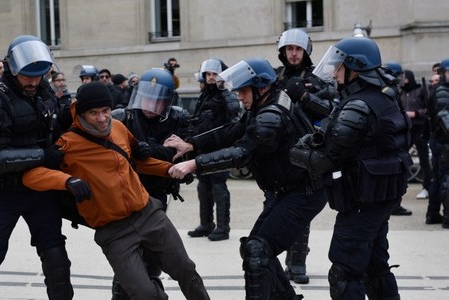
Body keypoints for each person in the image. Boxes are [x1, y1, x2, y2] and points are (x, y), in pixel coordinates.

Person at [22, 81, 210, 300]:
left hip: (149, 214)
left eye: (105, 111)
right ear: (81, 113)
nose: (102, 118)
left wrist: (169, 170)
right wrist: (67, 180)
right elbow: (31, 176)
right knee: (143, 293)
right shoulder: (68, 143)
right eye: (93, 113)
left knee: (186, 271)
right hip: (114, 232)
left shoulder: (119, 128)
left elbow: (137, 161)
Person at [167, 57, 328, 299]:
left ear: (261, 87)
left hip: (304, 192)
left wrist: (193, 165)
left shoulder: (270, 116)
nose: (240, 97)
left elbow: (241, 154)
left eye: (243, 91)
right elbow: (234, 130)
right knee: (256, 250)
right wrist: (193, 144)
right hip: (288, 189)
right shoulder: (265, 104)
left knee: (257, 251)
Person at [0, 35, 74, 299]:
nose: (33, 81)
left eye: (39, 76)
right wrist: (44, 155)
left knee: (56, 258)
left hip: (42, 190)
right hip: (5, 191)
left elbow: (60, 126)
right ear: (12, 69)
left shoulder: (45, 92)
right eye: (28, 76)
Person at [289, 37, 411, 299]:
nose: (334, 73)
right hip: (381, 195)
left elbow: (326, 159)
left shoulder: (357, 105)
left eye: (339, 66)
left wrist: (297, 152)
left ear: (355, 68)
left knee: (344, 272)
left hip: (361, 198)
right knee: (376, 267)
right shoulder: (386, 96)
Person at [110, 68, 191, 299]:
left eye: (157, 101)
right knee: (126, 255)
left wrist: (153, 151)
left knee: (153, 253)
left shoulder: (178, 118)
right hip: (125, 194)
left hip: (156, 194)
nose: (150, 104)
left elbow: (181, 155)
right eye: (146, 98)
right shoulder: (121, 117)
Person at [274, 28, 336, 285]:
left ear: (305, 51)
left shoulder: (317, 78)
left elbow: (329, 109)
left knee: (301, 209)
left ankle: (297, 262)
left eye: (297, 49)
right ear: (283, 52)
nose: (293, 53)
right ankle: (270, 259)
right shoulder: (274, 77)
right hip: (278, 151)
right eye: (289, 49)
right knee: (275, 207)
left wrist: (304, 95)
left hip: (306, 150)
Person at [183, 58, 240, 242]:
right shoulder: (205, 94)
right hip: (202, 147)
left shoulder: (225, 94)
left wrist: (224, 89)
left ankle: (223, 228)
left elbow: (234, 112)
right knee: (203, 186)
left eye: (214, 74)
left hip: (219, 146)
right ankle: (206, 224)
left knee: (218, 186)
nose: (211, 77)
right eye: (208, 74)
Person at [382, 62, 414, 216]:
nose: (401, 79)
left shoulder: (392, 90)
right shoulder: (389, 91)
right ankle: (394, 205)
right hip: (393, 140)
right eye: (399, 75)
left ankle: (395, 203)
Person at [401, 69, 431, 200]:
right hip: (406, 129)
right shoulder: (401, 92)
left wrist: (416, 113)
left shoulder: (420, 90)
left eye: (405, 78)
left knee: (424, 159)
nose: (403, 80)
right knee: (400, 157)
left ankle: (427, 187)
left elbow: (429, 108)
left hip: (419, 128)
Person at [426, 58, 449, 228]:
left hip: (440, 140)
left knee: (439, 178)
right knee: (444, 179)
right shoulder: (442, 91)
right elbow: (443, 117)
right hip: (442, 141)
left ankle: (433, 213)